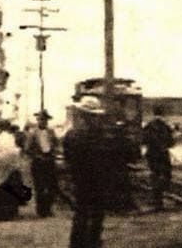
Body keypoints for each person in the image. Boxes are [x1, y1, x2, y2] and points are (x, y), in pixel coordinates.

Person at [64, 96, 117, 248]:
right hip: (97, 180)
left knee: (81, 213)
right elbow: (108, 160)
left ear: (81, 115)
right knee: (96, 214)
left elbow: (68, 159)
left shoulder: (72, 135)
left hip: (80, 180)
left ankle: (77, 244)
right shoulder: (100, 136)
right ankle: (93, 242)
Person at [25, 110, 58, 217]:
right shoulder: (33, 133)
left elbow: (56, 144)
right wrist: (36, 156)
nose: (43, 122)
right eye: (41, 119)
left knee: (51, 185)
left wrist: (53, 153)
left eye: (45, 120)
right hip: (38, 162)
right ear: (38, 120)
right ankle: (41, 210)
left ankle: (48, 208)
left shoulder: (51, 132)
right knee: (39, 186)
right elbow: (27, 148)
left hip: (49, 160)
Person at [142, 106, 175, 211]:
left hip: (152, 154)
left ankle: (157, 199)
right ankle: (160, 197)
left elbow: (143, 140)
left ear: (153, 113)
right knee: (166, 174)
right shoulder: (166, 126)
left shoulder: (148, 126)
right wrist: (164, 145)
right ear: (163, 114)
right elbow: (171, 142)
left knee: (155, 174)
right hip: (163, 154)